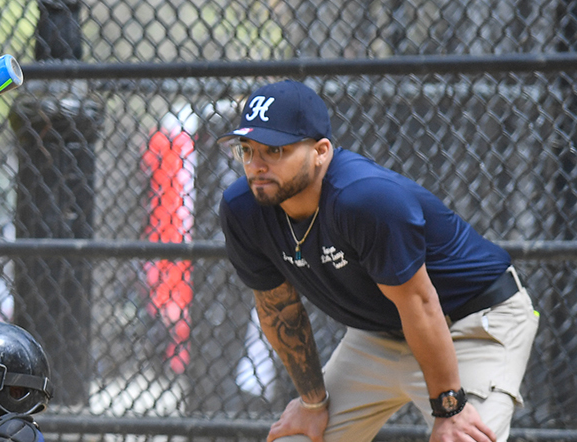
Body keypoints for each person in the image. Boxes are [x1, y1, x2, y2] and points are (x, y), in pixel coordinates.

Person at [217, 80, 539, 442]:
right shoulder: (243, 207)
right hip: (379, 336)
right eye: (247, 149)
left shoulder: (364, 199)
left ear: (321, 151)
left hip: (470, 324)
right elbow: (280, 313)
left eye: (274, 150)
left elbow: (419, 302)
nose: (256, 165)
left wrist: (451, 407)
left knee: (460, 439)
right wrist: (312, 404)